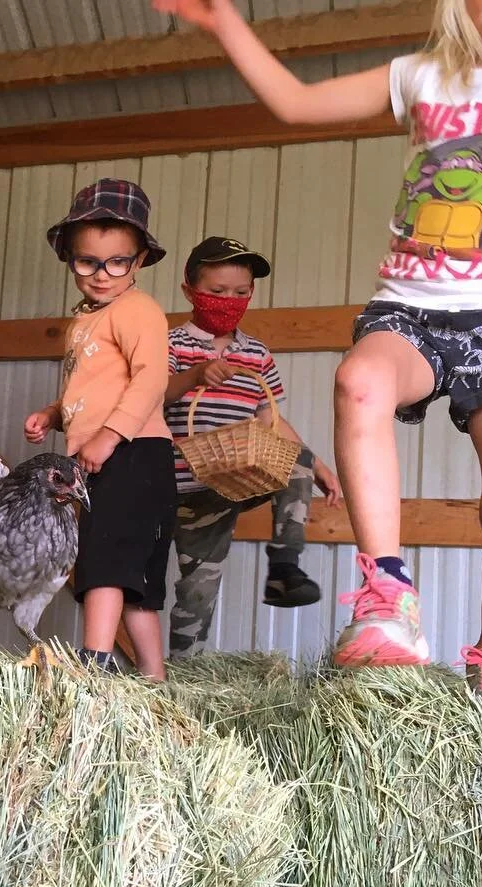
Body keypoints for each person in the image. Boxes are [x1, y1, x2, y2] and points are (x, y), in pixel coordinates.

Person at [154, 0, 482, 709]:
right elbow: (295, 103)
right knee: (358, 382)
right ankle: (387, 596)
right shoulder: (423, 75)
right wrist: (227, 22)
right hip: (409, 308)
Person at [25, 179, 178, 680]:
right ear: (70, 258)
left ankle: (94, 666)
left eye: (117, 261)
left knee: (105, 563)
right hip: (113, 451)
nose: (101, 274)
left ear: (138, 261)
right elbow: (94, 387)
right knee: (132, 575)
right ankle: (153, 680)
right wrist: (54, 414)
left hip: (132, 453)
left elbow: (152, 378)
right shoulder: (87, 319)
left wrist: (109, 437)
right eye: (87, 261)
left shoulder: (138, 311)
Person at [164, 236, 343, 660]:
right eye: (218, 291)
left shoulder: (256, 353)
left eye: (241, 293)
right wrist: (195, 375)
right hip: (185, 482)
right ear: (189, 290)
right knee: (196, 587)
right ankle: (180, 671)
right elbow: (153, 397)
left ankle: (284, 566)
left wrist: (320, 467)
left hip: (236, 477)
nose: (230, 300)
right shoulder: (170, 343)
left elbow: (270, 419)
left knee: (294, 460)